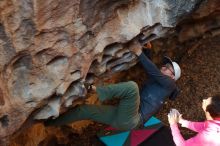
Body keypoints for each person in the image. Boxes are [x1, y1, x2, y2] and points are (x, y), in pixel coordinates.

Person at [44, 40, 181, 130]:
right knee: (84, 110)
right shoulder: (160, 82)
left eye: (167, 67)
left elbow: (154, 71)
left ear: (173, 77)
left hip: (134, 119)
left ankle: (94, 89)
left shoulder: (170, 85)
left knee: (132, 88)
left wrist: (138, 53)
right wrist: (147, 51)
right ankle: (48, 123)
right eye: (165, 65)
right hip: (122, 117)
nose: (163, 66)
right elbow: (152, 71)